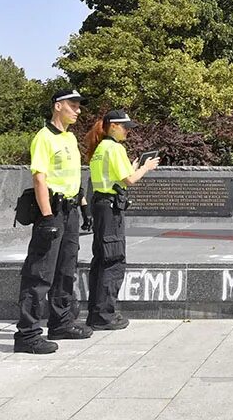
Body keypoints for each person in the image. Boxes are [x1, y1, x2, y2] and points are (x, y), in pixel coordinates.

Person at [14, 89, 92, 354]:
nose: (78, 110)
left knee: (65, 269)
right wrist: (47, 217)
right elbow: (40, 178)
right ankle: (27, 334)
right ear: (58, 106)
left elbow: (74, 177)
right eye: (73, 105)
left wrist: (84, 206)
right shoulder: (44, 138)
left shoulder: (70, 138)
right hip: (53, 210)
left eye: (79, 105)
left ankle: (61, 323)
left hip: (71, 210)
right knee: (40, 273)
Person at [85, 109, 160, 330]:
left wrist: (134, 166)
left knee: (100, 259)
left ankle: (96, 312)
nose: (128, 131)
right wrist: (146, 168)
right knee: (113, 260)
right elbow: (129, 180)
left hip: (99, 204)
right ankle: (104, 316)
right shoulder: (115, 148)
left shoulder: (100, 148)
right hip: (110, 208)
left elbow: (117, 175)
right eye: (126, 127)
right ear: (113, 126)